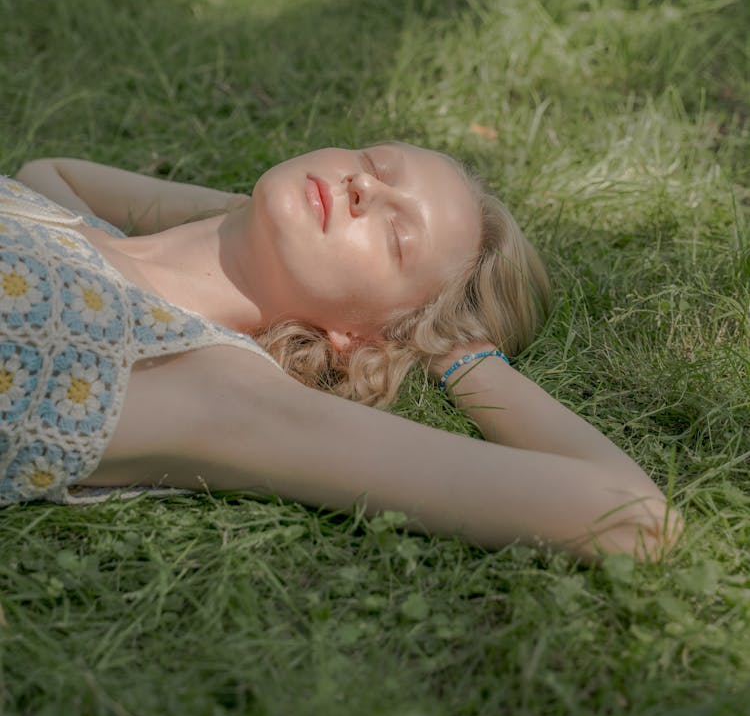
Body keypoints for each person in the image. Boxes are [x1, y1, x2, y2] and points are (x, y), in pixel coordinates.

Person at [1, 145, 681, 561]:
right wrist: (246, 217)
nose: (362, 188)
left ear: (364, 336)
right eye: (372, 163)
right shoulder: (69, 213)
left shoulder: (219, 389)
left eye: (396, 237)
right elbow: (51, 169)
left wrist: (459, 355)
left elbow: (634, 519)